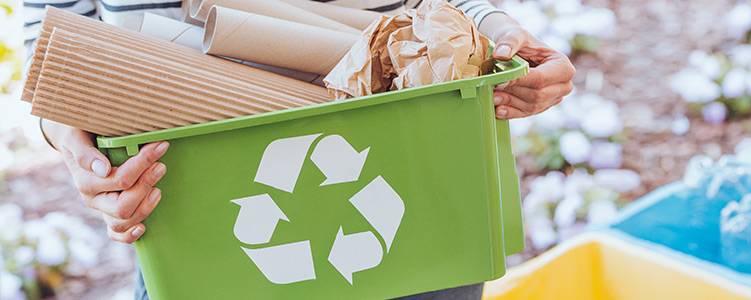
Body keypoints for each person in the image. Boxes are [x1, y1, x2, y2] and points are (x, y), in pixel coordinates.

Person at [31, 0, 574, 299]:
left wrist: (497, 33)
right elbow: (56, 39)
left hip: (414, 171)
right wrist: (76, 146)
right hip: (191, 206)